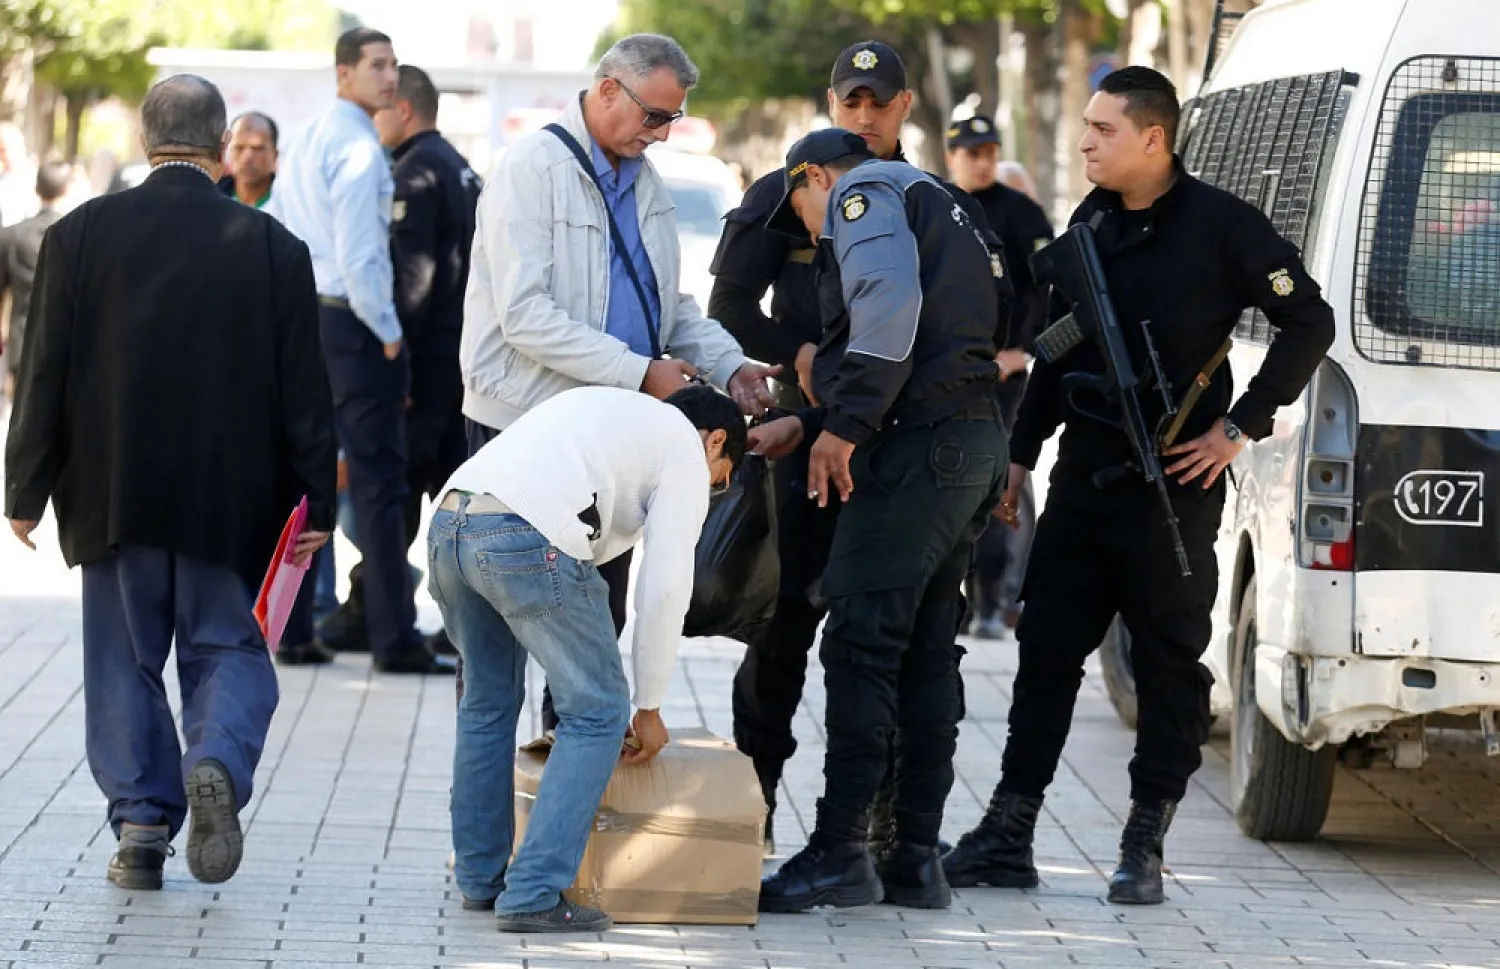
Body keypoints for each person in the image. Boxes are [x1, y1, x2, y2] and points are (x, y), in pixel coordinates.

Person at [943, 66, 1335, 906]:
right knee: (1044, 655)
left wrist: (1239, 428)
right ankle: (1009, 830)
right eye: (1082, 126)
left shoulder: (1224, 226)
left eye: (1102, 129)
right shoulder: (1090, 219)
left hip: (1173, 490)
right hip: (1085, 475)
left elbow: (1311, 320)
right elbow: (1060, 343)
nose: (1085, 141)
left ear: (1153, 138)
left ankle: (1144, 841)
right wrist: (1019, 451)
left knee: (1167, 668)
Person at [3, 75, 337, 891]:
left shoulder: (77, 235)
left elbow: (41, 369)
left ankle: (143, 827)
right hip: (234, 497)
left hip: (112, 489)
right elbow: (305, 390)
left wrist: (24, 489)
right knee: (227, 643)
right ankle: (216, 754)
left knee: (124, 656)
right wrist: (316, 504)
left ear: (147, 142)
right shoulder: (272, 247)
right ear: (223, 147)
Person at [711, 39, 1009, 856]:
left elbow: (971, 331)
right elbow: (731, 299)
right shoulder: (793, 186)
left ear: (907, 105)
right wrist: (799, 360)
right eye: (853, 101)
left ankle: (887, 832)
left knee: (906, 638)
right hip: (815, 432)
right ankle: (755, 806)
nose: (867, 115)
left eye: (880, 101)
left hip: (885, 435)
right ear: (833, 104)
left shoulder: (930, 198)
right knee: (785, 628)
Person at [460, 33, 777, 714]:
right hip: (522, 433)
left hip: (608, 448)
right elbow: (524, 316)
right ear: (608, 89)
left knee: (593, 643)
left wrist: (732, 365)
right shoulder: (533, 167)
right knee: (497, 657)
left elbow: (669, 306)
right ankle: (493, 816)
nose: (661, 134)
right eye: (654, 116)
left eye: (672, 119)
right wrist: (641, 375)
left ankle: (571, 797)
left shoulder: (647, 181)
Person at [430, 384, 745, 933]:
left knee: (486, 704)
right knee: (598, 713)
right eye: (724, 474)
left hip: (450, 520)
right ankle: (531, 894)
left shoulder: (612, 410)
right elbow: (666, 587)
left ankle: (481, 880)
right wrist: (648, 706)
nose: (716, 487)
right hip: (523, 531)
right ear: (716, 439)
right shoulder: (683, 450)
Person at [270, 27, 452, 674]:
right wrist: (391, 334)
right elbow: (364, 257)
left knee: (304, 474)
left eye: (394, 65)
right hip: (354, 323)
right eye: (376, 65)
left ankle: (291, 627)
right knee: (379, 480)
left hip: (310, 321)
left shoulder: (311, 139)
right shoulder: (359, 151)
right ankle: (393, 637)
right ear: (343, 73)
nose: (388, 76)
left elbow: (287, 235)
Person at [318, 65, 478, 659]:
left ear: (403, 111)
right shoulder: (463, 170)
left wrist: (397, 364)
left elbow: (411, 280)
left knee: (391, 494)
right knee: (455, 500)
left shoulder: (413, 175)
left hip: (425, 368)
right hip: (460, 365)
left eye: (381, 111)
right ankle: (397, 613)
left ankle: (378, 614)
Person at [945, 115, 1055, 638]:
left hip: (1003, 378)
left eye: (990, 151)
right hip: (944, 376)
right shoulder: (934, 204)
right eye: (973, 152)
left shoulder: (1022, 214)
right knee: (946, 483)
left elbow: (1050, 292)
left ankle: (993, 601)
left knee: (993, 485)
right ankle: (954, 600)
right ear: (953, 156)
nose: (983, 161)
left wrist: (1023, 351)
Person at [0, 160, 69, 398]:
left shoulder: (12, 235)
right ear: (66, 189)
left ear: (37, 188)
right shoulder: (78, 234)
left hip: (21, 342)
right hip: (65, 346)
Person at [219, 112, 278, 208]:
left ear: (275, 155)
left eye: (257, 148)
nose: (247, 158)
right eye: (239, 148)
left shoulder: (293, 204)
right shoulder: (209, 200)